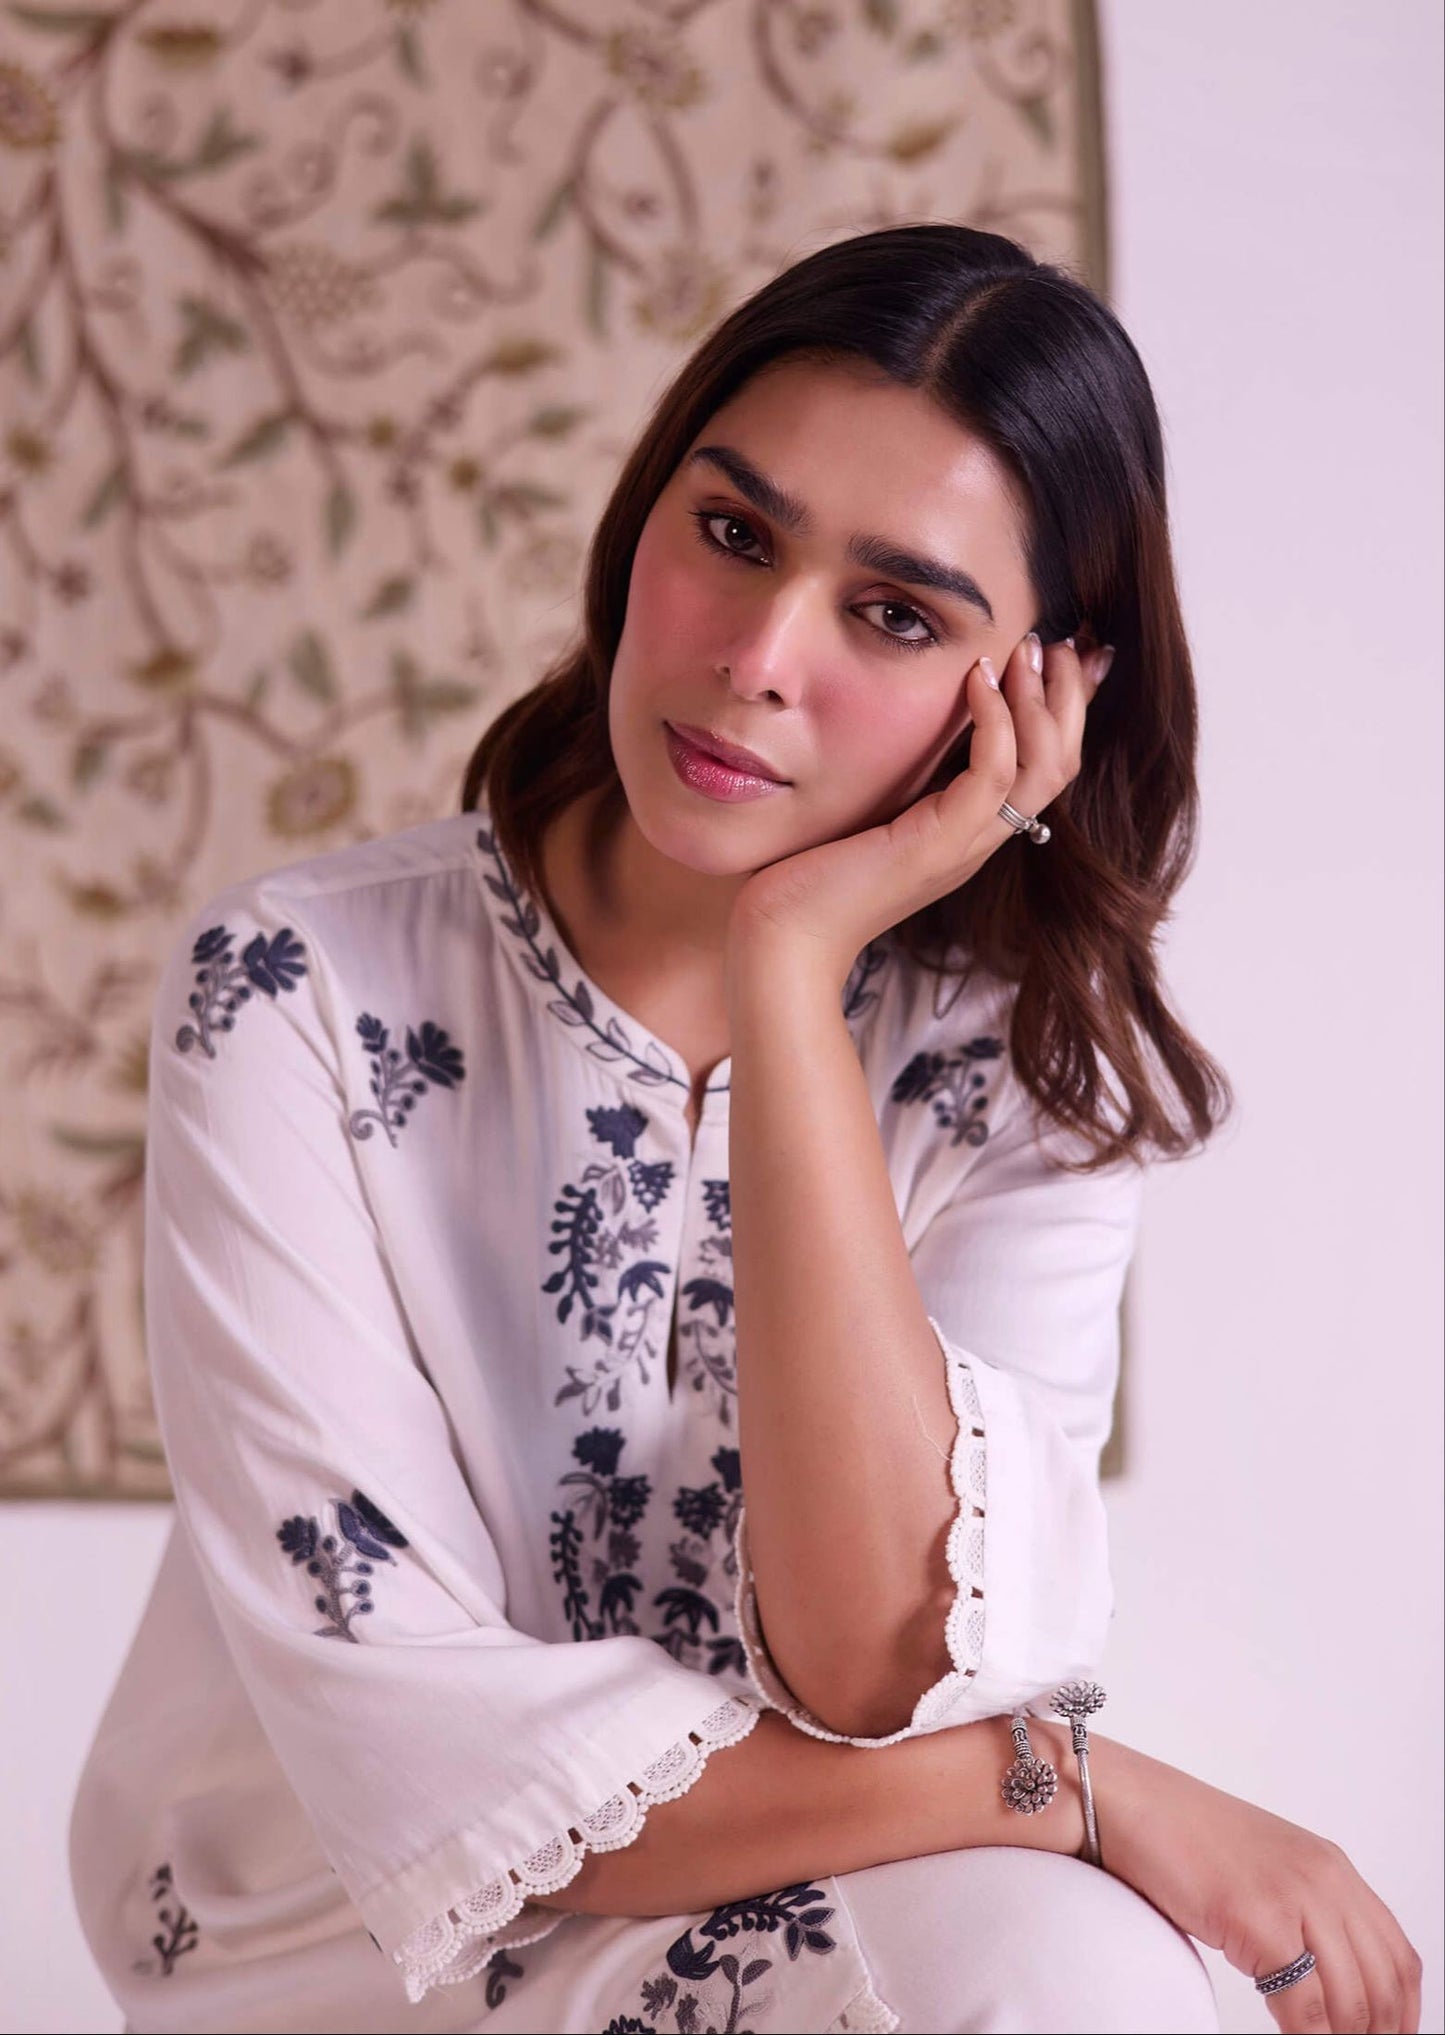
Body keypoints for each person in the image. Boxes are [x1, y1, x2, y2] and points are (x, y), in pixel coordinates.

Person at [70, 223, 1421, 2035]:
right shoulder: (296, 988)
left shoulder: (1022, 1078)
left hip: (793, 1869)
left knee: (1089, 1990)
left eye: (894, 612)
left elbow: (874, 1665)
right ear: (643, 516)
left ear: (1035, 695)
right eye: (731, 534)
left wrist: (788, 976)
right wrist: (1077, 1785)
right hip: (339, 1930)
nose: (759, 656)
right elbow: (410, 1751)